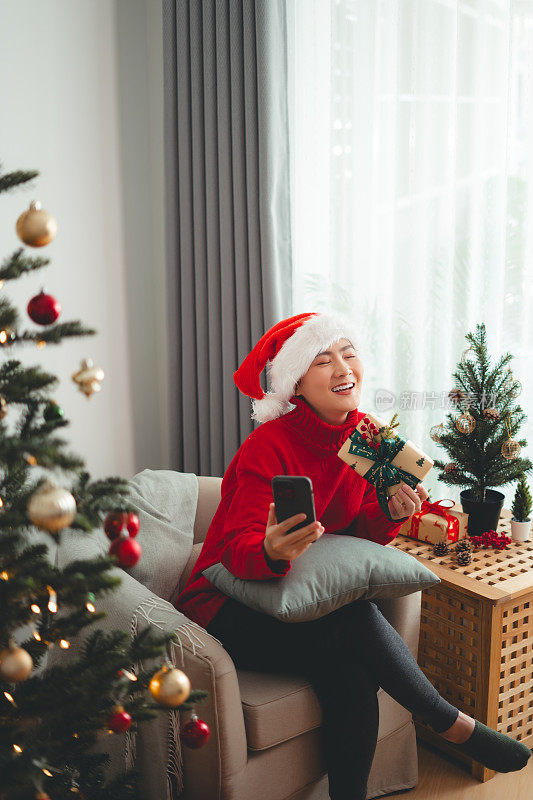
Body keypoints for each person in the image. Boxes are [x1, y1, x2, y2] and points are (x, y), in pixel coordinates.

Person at [175, 311, 531, 799]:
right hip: (223, 608)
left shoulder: (368, 438)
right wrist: (270, 550)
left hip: (304, 599)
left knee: (353, 673)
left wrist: (390, 511)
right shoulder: (269, 445)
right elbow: (236, 550)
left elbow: (362, 528)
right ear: (297, 384)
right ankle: (448, 721)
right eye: (323, 359)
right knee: (356, 620)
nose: (343, 367)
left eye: (348, 353)